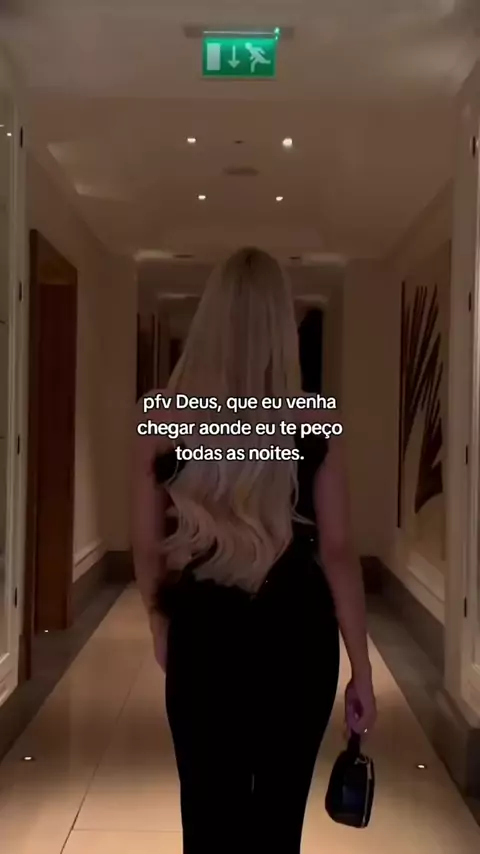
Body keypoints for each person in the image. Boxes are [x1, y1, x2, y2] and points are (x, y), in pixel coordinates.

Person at [132, 247, 377, 854]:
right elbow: (338, 551)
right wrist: (361, 668)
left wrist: (160, 624)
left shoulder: (161, 415)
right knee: (277, 824)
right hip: (296, 636)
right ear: (280, 326)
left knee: (206, 819)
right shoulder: (314, 419)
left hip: (204, 634)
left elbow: (147, 545)